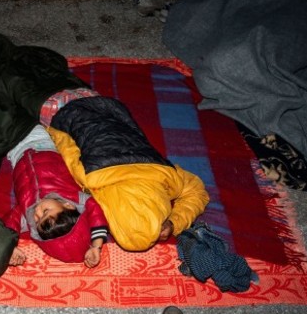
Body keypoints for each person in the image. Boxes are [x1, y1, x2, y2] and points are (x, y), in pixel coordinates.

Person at [40, 90, 210, 252]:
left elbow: (196, 191)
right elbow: (66, 146)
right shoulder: (92, 180)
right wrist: (49, 130)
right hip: (67, 110)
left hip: (108, 108)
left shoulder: (165, 175)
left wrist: (173, 222)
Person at [3, 125, 109, 268]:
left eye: (38, 221)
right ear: (68, 206)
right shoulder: (75, 199)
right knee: (26, 120)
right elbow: (95, 212)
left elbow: (9, 223)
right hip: (42, 145)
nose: (38, 213)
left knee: (0, 128)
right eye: (46, 212)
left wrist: (8, 247)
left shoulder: (26, 216)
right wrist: (96, 246)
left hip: (16, 153)